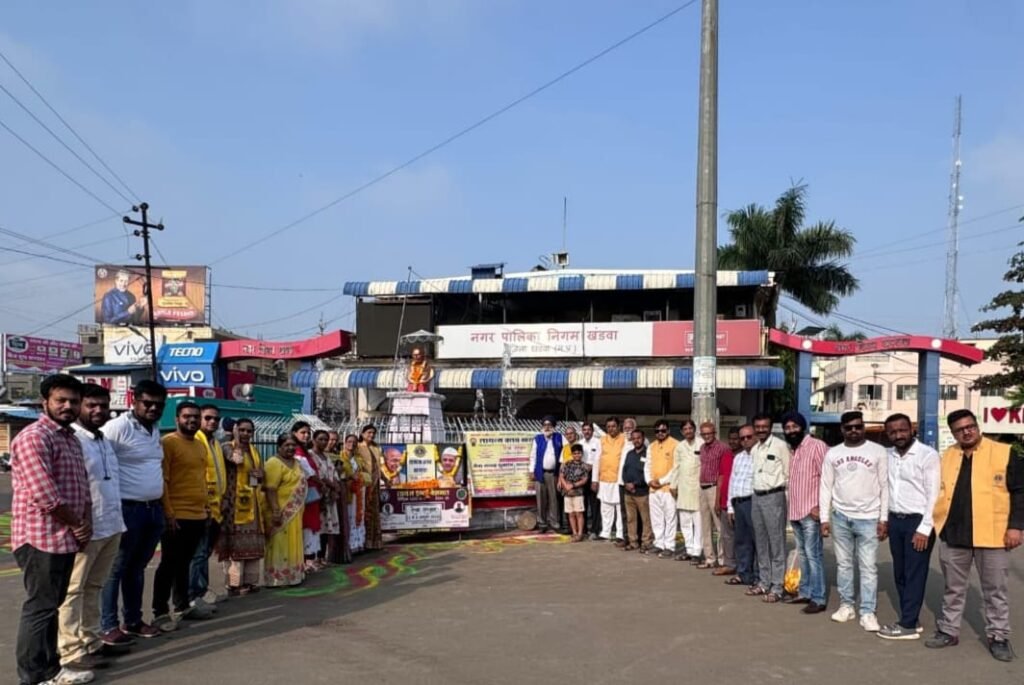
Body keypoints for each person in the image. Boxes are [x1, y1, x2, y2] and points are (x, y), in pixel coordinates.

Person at [11, 374, 91, 685]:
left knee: (51, 607)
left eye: (73, 401)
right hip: (40, 537)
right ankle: (33, 676)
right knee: (40, 607)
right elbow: (45, 495)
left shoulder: (69, 438)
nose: (68, 406)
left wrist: (84, 523)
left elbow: (81, 486)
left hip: (64, 537)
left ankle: (51, 669)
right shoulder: (34, 437)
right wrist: (77, 524)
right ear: (45, 402)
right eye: (61, 400)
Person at [926, 409, 1023, 662]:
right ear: (953, 433)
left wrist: (1016, 527)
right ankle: (949, 630)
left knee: (995, 590)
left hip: (993, 535)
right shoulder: (947, 456)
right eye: (960, 430)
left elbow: (1019, 492)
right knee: (953, 588)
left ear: (977, 426)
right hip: (954, 534)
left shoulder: (1003, 452)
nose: (966, 432)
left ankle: (998, 636)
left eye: (970, 426)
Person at [57, 385, 127, 682]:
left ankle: (92, 641)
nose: (98, 411)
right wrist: (76, 524)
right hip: (86, 528)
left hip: (111, 524)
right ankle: (71, 651)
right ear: (80, 407)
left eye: (103, 406)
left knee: (95, 586)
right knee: (73, 590)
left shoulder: (103, 440)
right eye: (91, 405)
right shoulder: (73, 441)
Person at [100, 380, 168, 643]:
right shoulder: (117, 428)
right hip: (127, 509)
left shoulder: (154, 429)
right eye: (147, 403)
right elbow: (100, 464)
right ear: (134, 400)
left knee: (137, 568)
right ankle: (108, 626)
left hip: (153, 509)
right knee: (115, 569)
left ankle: (133, 621)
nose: (153, 408)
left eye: (158, 405)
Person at [820, 411, 888, 631]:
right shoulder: (833, 453)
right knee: (844, 564)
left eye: (858, 426)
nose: (854, 431)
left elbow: (885, 486)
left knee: (868, 567)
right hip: (841, 516)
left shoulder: (877, 451)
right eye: (849, 427)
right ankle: (847, 605)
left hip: (869, 517)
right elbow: (826, 486)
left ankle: (867, 612)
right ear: (842, 430)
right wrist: (824, 518)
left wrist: (883, 518)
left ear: (863, 427)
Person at [878, 413, 939, 640]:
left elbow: (934, 494)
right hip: (896, 520)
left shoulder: (927, 455)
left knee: (914, 573)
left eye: (902, 430)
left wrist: (925, 528)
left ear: (912, 429)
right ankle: (911, 616)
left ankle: (907, 625)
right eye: (892, 432)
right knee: (900, 572)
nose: (898, 435)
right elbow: (885, 489)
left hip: (918, 522)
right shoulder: (888, 455)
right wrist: (884, 520)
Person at [152, 402, 213, 632]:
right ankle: (160, 612)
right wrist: (168, 513)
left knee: (184, 563)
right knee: (168, 563)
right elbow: (163, 480)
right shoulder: (168, 443)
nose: (192, 420)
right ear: (177, 418)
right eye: (187, 416)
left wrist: (206, 508)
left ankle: (182, 606)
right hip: (176, 515)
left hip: (198, 514)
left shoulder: (200, 445)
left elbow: (200, 479)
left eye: (196, 417)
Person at [782, 411, 829, 614]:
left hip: (811, 511)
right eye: (787, 428)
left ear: (803, 427)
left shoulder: (816, 446)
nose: (791, 430)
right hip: (796, 511)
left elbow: (827, 478)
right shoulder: (793, 450)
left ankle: (818, 598)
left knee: (813, 555)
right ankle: (805, 592)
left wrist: (821, 507)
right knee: (803, 554)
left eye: (795, 426)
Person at [217, 418, 265, 595]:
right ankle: (234, 584)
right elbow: (236, 460)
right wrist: (236, 441)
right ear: (235, 430)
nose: (245, 434)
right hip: (233, 504)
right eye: (242, 430)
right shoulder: (227, 447)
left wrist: (260, 474)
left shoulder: (254, 451)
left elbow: (261, 475)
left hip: (252, 502)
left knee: (252, 544)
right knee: (236, 545)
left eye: (249, 431)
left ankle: (250, 581)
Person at [748, 412, 791, 603]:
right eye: (758, 427)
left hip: (774, 496)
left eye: (764, 427)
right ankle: (764, 582)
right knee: (761, 542)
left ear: (770, 427)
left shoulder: (780, 446)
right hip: (757, 496)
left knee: (776, 543)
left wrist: (786, 500)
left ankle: (777, 586)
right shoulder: (755, 449)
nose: (761, 430)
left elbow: (788, 474)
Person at [188, 404, 226, 613]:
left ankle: (202, 591)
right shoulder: (196, 441)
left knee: (204, 553)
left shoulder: (215, 443)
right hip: (201, 507)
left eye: (216, 419)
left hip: (216, 508)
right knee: (199, 554)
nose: (212, 422)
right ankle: (194, 595)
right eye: (208, 418)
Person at [264, 434, 308, 587]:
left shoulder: (297, 463)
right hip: (280, 511)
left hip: (295, 512)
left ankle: (293, 575)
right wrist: (276, 511)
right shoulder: (273, 463)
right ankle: (277, 578)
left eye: (293, 445)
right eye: (287, 445)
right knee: (280, 543)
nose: (290, 448)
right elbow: (270, 489)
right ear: (279, 446)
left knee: (294, 541)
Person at [726, 425, 759, 588]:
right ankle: (744, 573)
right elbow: (732, 481)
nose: (745, 440)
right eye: (742, 438)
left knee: (757, 541)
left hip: (753, 501)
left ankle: (759, 577)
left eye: (749, 437)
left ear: (756, 436)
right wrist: (730, 507)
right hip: (738, 503)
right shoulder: (738, 457)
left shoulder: (760, 455)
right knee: (742, 541)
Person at [646, 419, 679, 559]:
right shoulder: (651, 446)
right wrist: (649, 481)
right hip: (653, 489)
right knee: (656, 518)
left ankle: (669, 546)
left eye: (663, 430)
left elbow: (675, 468)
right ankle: (659, 543)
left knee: (670, 517)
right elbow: (647, 465)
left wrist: (661, 481)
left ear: (668, 431)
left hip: (668, 488)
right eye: (657, 431)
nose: (660, 433)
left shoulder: (676, 445)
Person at [310, 430, 343, 566]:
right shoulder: (311, 456)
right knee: (317, 527)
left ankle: (322, 557)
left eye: (326, 439)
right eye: (321, 439)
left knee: (326, 528)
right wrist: (332, 486)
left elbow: (333, 474)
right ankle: (313, 558)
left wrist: (336, 487)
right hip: (318, 495)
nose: (324, 442)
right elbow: (318, 475)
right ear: (313, 440)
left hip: (330, 496)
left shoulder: (326, 457)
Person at [291, 421, 321, 570]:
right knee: (307, 525)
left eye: (308, 432)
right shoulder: (296, 451)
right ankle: (306, 560)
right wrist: (323, 483)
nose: (306, 435)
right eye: (303, 432)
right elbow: (309, 473)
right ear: (294, 433)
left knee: (311, 524)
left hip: (311, 492)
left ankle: (310, 558)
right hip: (304, 493)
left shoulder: (305, 451)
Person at [672, 420, 702, 562]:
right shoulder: (680, 447)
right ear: (682, 432)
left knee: (698, 523)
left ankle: (697, 552)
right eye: (685, 429)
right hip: (683, 489)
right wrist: (673, 485)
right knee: (685, 522)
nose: (688, 431)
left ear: (694, 430)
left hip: (698, 489)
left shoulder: (701, 444)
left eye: (690, 428)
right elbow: (676, 467)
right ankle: (689, 550)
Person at [591, 417, 625, 542]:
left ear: (618, 426)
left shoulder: (625, 439)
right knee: (605, 507)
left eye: (613, 426)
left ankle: (620, 533)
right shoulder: (602, 440)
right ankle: (606, 532)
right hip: (604, 478)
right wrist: (594, 480)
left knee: (619, 507)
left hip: (618, 479)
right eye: (609, 426)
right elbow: (596, 460)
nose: (611, 429)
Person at [621, 429, 654, 552]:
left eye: (638, 438)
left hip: (642, 492)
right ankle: (633, 542)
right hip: (628, 493)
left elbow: (648, 473)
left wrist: (635, 484)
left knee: (645, 519)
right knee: (631, 519)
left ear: (643, 438)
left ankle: (646, 542)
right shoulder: (629, 454)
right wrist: (626, 483)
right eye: (634, 438)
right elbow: (624, 470)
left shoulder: (648, 454)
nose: (636, 440)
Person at [528, 417, 563, 533]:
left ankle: (554, 523)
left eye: (549, 425)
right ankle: (542, 524)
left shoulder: (559, 437)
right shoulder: (538, 439)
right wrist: (531, 471)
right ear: (542, 427)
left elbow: (565, 453)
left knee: (554, 499)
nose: (547, 427)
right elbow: (533, 456)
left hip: (554, 474)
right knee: (541, 500)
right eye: (545, 425)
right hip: (540, 473)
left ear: (553, 427)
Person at [355, 425, 384, 550]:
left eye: (373, 433)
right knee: (364, 511)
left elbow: (378, 467)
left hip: (375, 483)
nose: (371, 435)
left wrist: (385, 479)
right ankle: (363, 542)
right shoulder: (358, 447)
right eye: (368, 432)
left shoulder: (376, 447)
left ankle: (374, 542)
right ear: (362, 434)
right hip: (363, 484)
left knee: (375, 512)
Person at [559, 444, 589, 542]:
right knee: (571, 514)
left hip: (578, 493)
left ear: (582, 454)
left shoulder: (584, 466)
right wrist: (566, 486)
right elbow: (561, 476)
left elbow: (584, 480)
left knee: (578, 513)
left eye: (579, 453)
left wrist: (573, 485)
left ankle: (580, 534)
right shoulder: (567, 464)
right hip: (567, 493)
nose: (577, 455)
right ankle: (574, 533)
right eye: (575, 453)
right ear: (572, 454)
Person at [343, 434, 367, 554]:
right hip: (348, 491)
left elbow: (362, 472)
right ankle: (350, 544)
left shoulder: (358, 458)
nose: (351, 444)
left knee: (359, 514)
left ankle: (359, 542)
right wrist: (351, 477)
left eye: (354, 442)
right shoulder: (341, 457)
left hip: (359, 491)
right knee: (349, 516)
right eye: (349, 441)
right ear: (344, 443)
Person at [578, 421, 602, 539]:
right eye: (585, 430)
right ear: (582, 431)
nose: (586, 432)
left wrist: (594, 475)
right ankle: (583, 529)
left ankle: (595, 530)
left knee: (594, 504)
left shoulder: (598, 442)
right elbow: (577, 457)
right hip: (582, 474)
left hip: (594, 474)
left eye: (589, 430)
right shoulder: (580, 443)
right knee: (582, 503)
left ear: (592, 431)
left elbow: (598, 459)